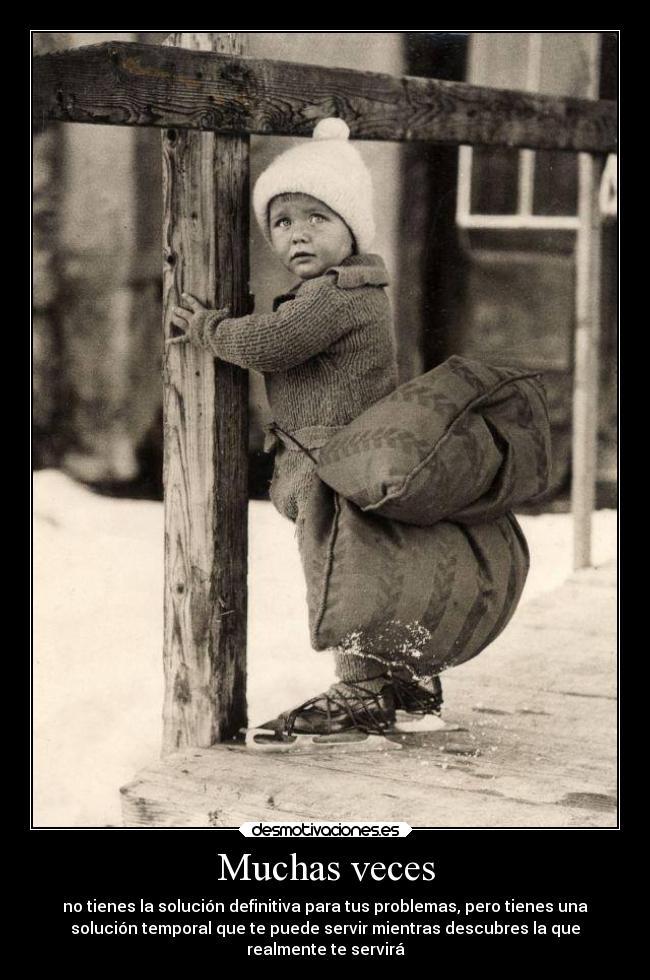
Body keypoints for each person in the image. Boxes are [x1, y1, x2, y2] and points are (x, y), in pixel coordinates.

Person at [169, 118, 444, 748]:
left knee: (340, 577)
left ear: (353, 229)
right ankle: (400, 680)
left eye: (317, 218)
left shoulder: (340, 295)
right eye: (282, 221)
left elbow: (273, 342)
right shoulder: (340, 290)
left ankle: (361, 693)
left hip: (337, 468)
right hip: (342, 463)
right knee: (364, 570)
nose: (297, 233)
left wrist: (209, 329)